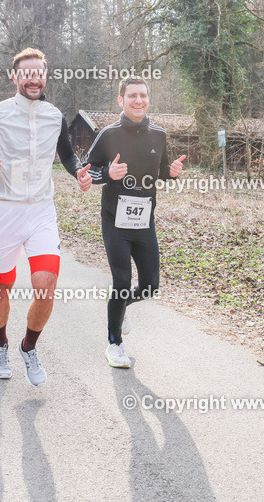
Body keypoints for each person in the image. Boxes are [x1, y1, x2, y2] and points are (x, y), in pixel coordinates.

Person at [0, 48, 92, 387]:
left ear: (45, 77)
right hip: (5, 212)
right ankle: (0, 344)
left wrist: (78, 173)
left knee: (46, 287)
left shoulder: (54, 115)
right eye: (27, 73)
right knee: (1, 286)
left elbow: (66, 156)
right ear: (15, 77)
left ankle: (28, 347)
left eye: (39, 73)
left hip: (41, 212)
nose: (34, 78)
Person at [84, 76, 185, 368]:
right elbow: (86, 172)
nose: (138, 100)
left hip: (144, 222)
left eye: (142, 95)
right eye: (132, 96)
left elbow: (162, 170)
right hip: (114, 220)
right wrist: (107, 175)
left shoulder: (159, 134)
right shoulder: (108, 134)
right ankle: (114, 344)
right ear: (121, 100)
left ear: (147, 99)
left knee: (151, 285)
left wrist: (172, 172)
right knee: (122, 281)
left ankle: (119, 306)